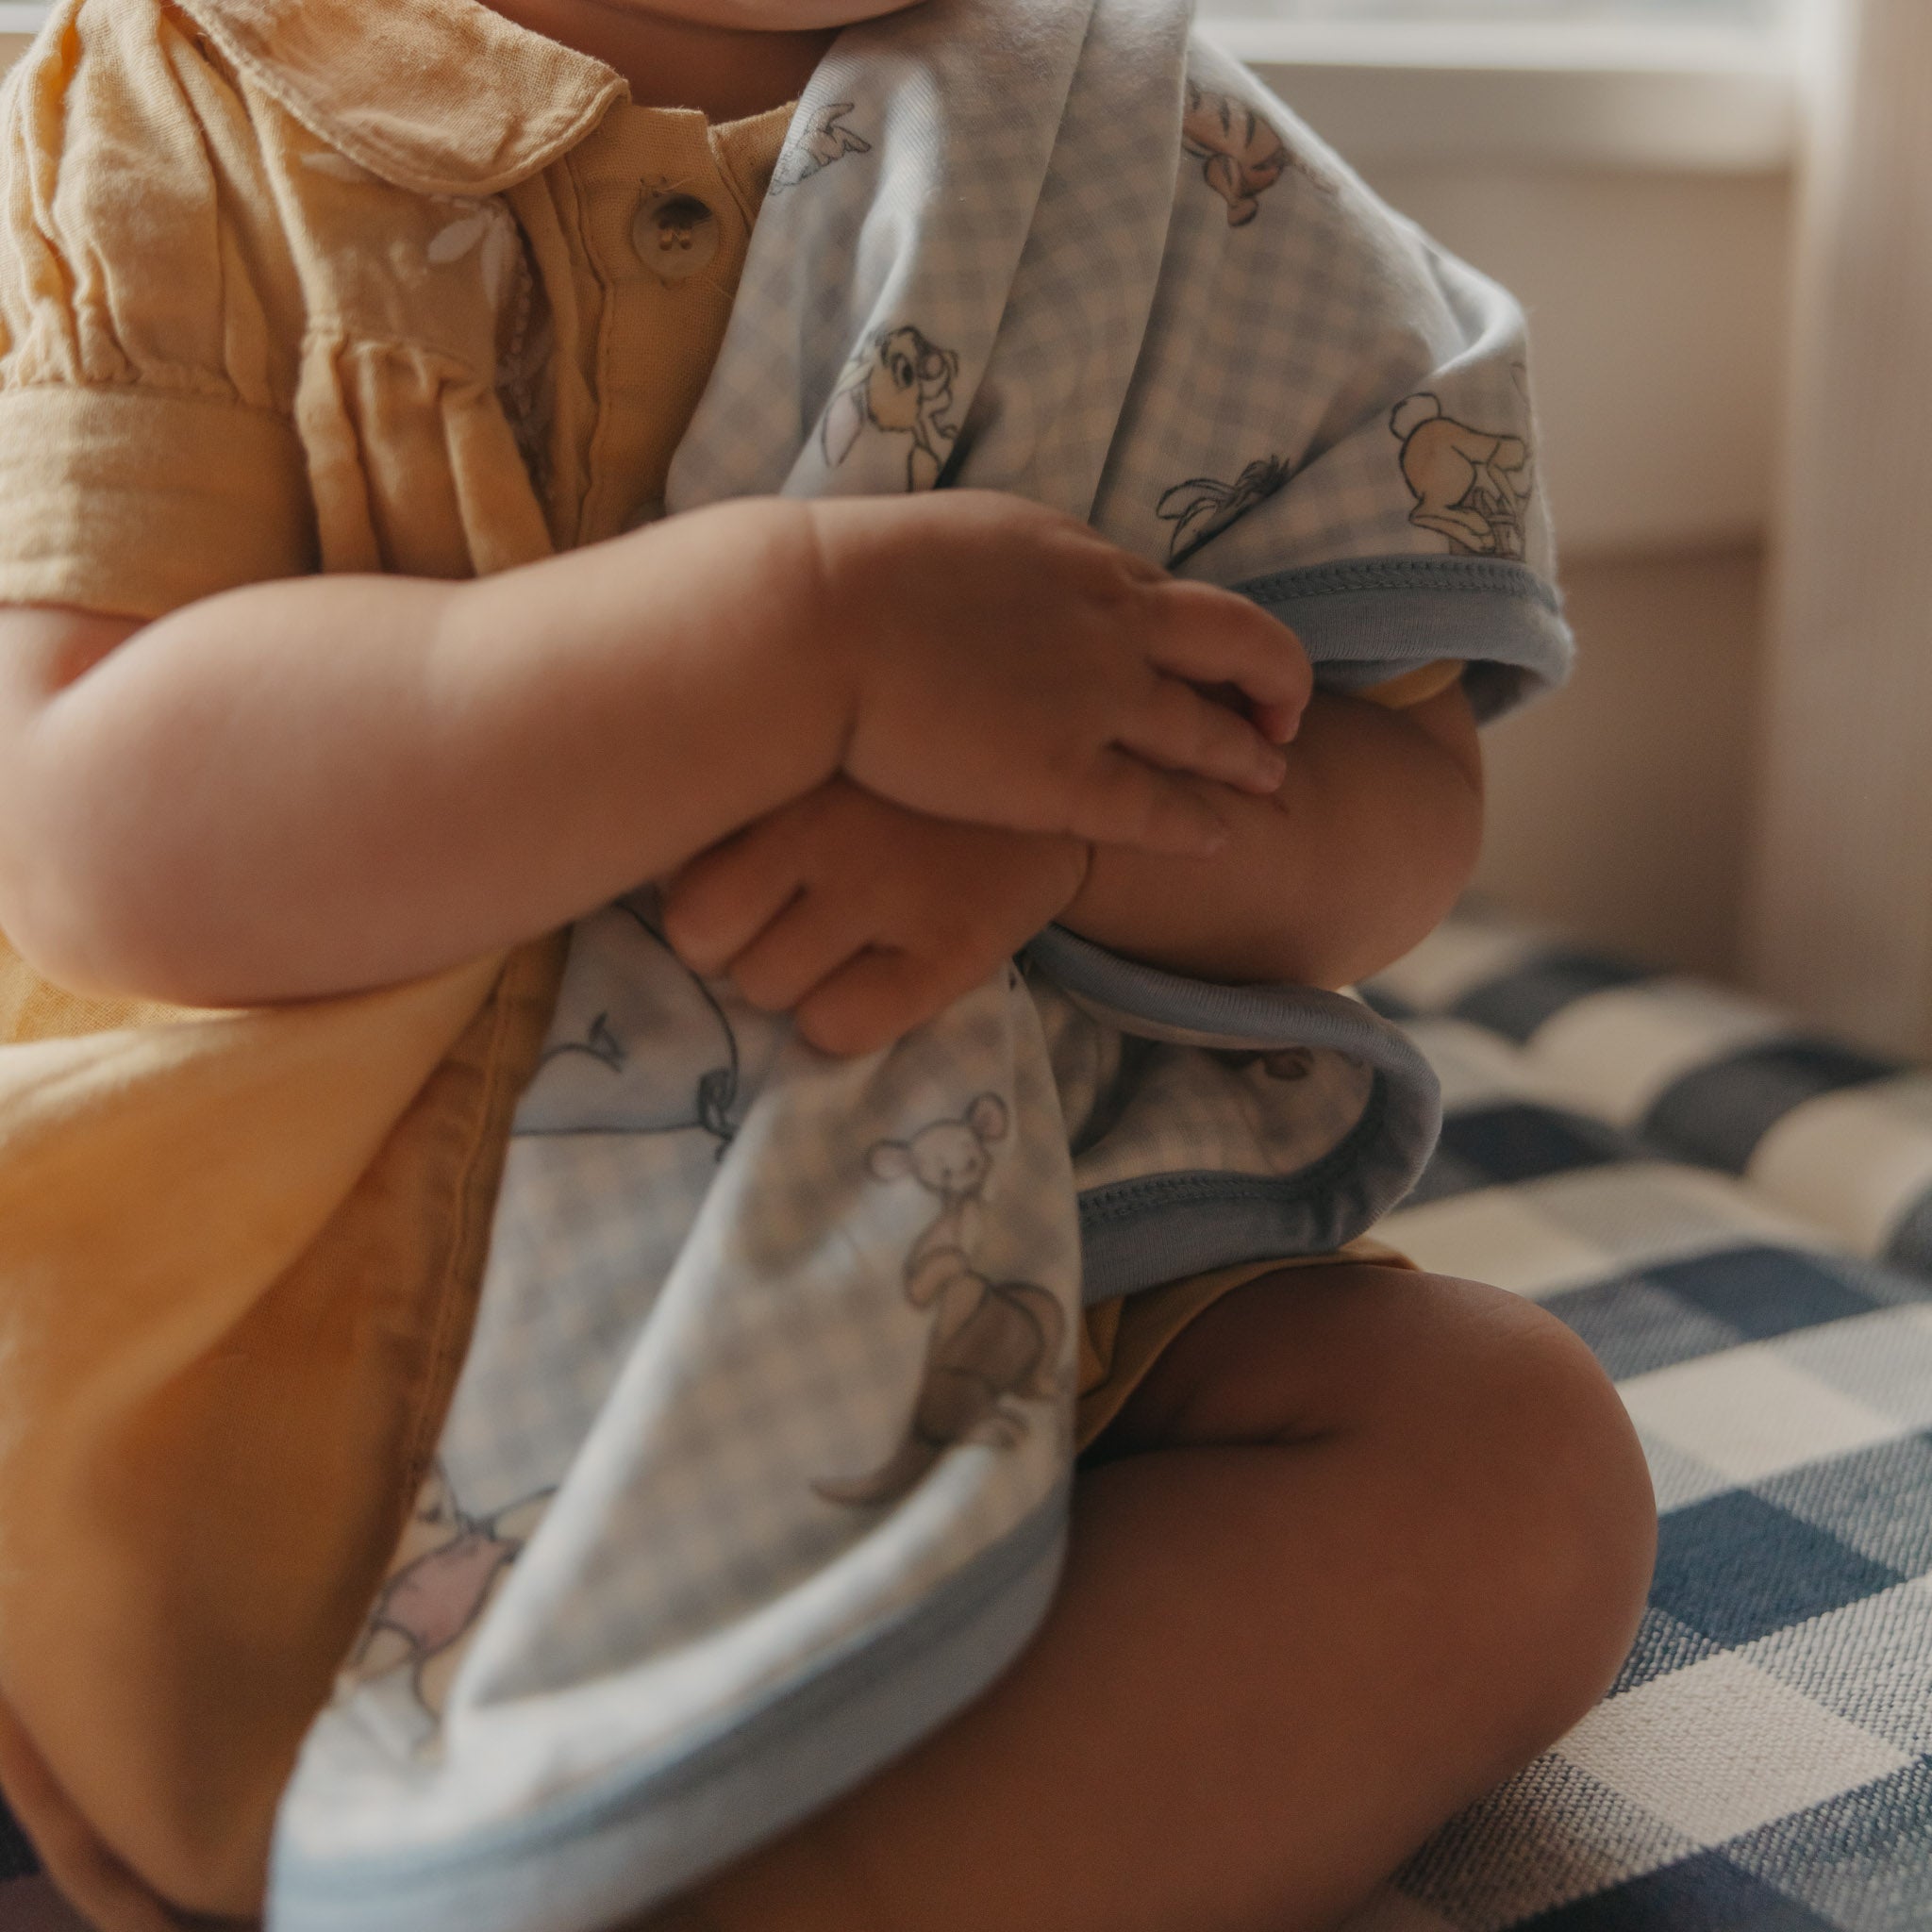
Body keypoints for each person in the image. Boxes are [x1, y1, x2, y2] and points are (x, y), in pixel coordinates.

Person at [0, 0, 1657, 1922]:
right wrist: (804, 643)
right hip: (270, 1360)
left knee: (1509, 1460)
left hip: (956, 1270)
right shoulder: (194, 107)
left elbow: (1397, 798)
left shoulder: (1137, 149)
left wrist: (1077, 821)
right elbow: (91, 823)